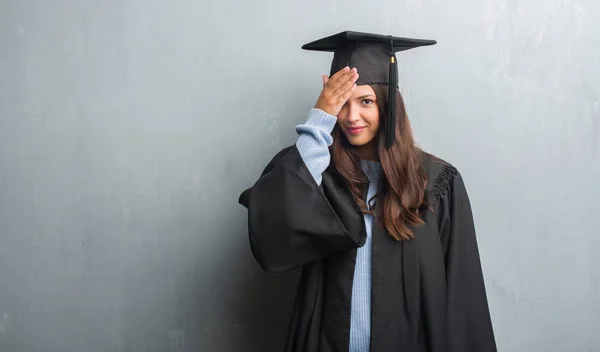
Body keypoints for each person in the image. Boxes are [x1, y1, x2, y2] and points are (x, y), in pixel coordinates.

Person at [238, 31, 496, 352]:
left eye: (366, 101)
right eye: (341, 103)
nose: (351, 116)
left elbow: (462, 293)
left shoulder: (435, 182)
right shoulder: (320, 171)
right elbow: (273, 225)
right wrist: (320, 120)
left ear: (388, 106)